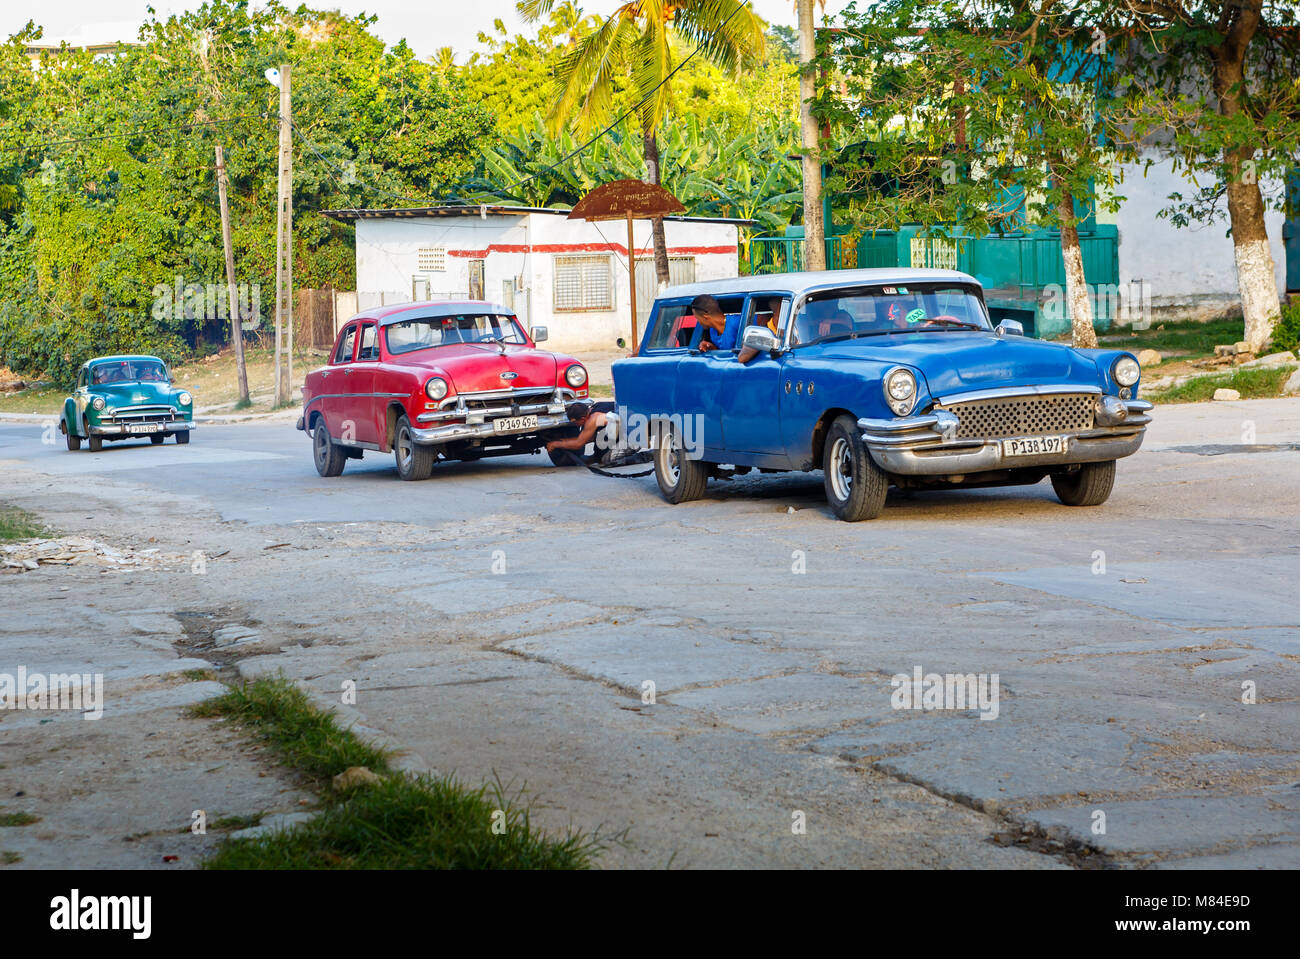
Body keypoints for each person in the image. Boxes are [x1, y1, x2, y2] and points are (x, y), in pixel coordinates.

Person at [546, 401, 615, 465]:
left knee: (602, 451)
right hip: (621, 427)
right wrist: (564, 441)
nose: (576, 425)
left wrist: (555, 444)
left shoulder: (592, 419)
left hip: (622, 435)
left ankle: (604, 456)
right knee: (599, 435)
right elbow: (589, 437)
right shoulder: (596, 407)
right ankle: (597, 457)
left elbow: (578, 444)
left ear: (583, 418)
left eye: (575, 422)